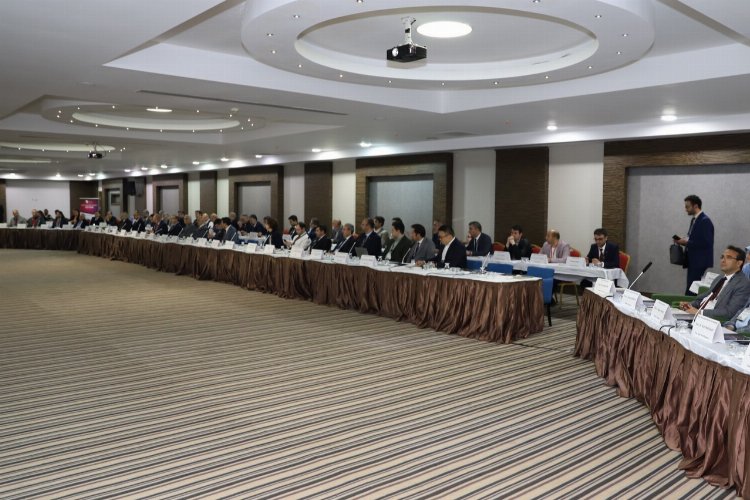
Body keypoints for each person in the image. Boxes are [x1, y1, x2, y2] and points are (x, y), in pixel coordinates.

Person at [680, 245, 750, 321]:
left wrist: (699, 312)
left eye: (728, 257)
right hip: (698, 315)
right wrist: (689, 305)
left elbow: (730, 312)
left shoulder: (743, 284)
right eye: (722, 257)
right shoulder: (720, 278)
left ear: (739, 263)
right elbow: (706, 298)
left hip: (714, 321)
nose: (723, 260)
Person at [675, 195, 714, 295]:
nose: (685, 209)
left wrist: (686, 242)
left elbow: (706, 242)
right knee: (691, 287)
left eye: (687, 207)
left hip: (699, 261)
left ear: (695, 206)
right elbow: (695, 239)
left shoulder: (705, 221)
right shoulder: (695, 220)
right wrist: (684, 240)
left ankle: (688, 304)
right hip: (694, 260)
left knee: (691, 289)